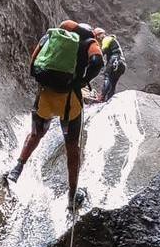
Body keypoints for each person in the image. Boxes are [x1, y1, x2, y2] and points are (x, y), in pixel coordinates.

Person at [6, 18, 104, 210]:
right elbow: (97, 61)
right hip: (70, 104)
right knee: (72, 149)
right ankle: (72, 195)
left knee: (36, 134)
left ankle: (16, 170)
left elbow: (34, 61)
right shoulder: (89, 43)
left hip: (45, 99)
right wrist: (81, 81)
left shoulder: (54, 36)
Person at [94, 33, 127, 102]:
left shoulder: (107, 39)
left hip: (115, 60)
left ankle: (101, 97)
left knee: (107, 77)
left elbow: (103, 51)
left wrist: (95, 60)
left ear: (100, 35)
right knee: (113, 82)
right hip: (122, 63)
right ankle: (109, 100)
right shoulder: (113, 41)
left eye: (97, 37)